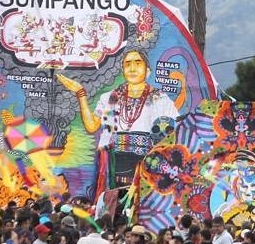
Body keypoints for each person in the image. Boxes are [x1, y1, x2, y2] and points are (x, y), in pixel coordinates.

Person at [57, 48, 179, 192]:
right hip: (114, 160)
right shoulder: (110, 97)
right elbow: (91, 126)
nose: (132, 68)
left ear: (148, 70)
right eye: (127, 64)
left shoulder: (160, 99)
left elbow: (173, 130)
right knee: (114, 198)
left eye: (137, 63)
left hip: (146, 161)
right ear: (123, 70)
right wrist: (80, 93)